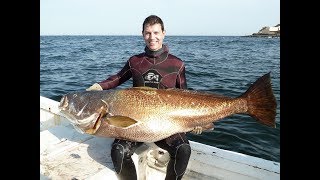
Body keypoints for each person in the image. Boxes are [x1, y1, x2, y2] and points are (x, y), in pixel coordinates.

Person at [86, 15, 201, 180]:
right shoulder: (135, 61)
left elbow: (185, 97)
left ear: (163, 33)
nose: (152, 37)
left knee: (183, 149)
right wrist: (99, 86)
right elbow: (117, 78)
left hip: (167, 125)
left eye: (156, 32)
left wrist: (195, 120)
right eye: (148, 33)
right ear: (142, 34)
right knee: (118, 151)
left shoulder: (177, 64)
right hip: (135, 125)